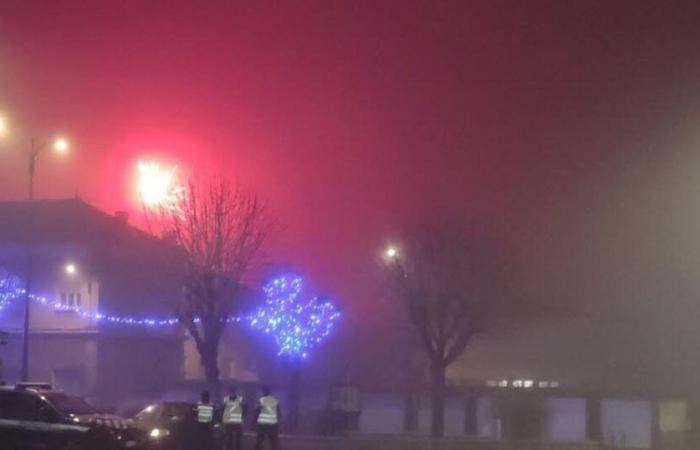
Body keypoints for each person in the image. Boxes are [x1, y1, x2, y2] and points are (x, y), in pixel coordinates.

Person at [222, 386, 246, 450]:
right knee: (229, 439)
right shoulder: (226, 399)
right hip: (231, 422)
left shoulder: (239, 399)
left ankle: (234, 447)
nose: (232, 394)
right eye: (231, 392)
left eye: (232, 392)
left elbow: (245, 409)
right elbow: (222, 409)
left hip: (234, 422)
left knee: (236, 439)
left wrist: (243, 417)